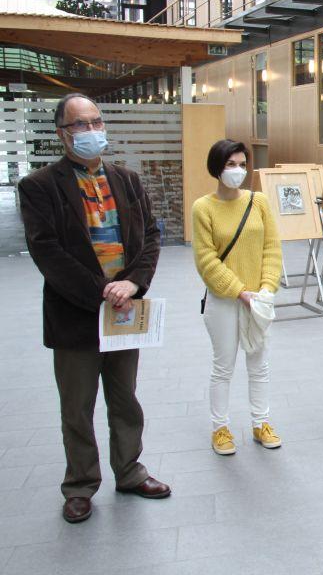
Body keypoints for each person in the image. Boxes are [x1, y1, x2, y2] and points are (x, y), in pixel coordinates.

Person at [18, 93, 170, 524]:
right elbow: (47, 252)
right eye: (80, 125)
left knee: (125, 399)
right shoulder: (40, 186)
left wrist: (133, 283)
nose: (90, 131)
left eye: (96, 122)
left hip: (124, 313)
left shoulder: (127, 179)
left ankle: (130, 471)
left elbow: (150, 239)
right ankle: (81, 485)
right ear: (63, 133)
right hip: (76, 314)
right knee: (78, 406)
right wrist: (103, 292)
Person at [192, 140, 282, 456]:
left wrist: (267, 288)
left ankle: (261, 422)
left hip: (259, 298)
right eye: (231, 164)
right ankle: (220, 428)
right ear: (216, 167)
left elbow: (272, 247)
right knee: (224, 366)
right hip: (224, 300)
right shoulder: (203, 207)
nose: (238, 171)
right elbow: (206, 259)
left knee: (259, 364)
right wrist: (238, 291)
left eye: (242, 164)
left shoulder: (258, 202)